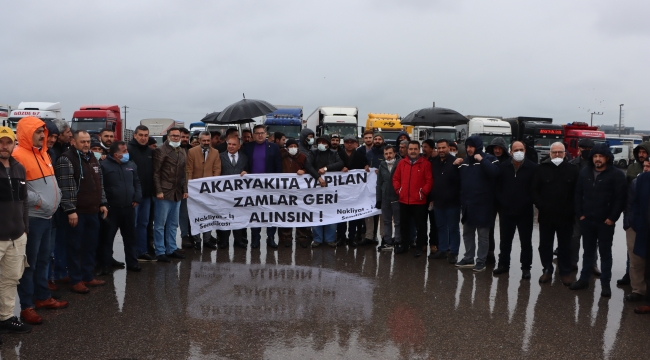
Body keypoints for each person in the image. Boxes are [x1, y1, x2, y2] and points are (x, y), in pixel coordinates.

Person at [12, 118, 67, 325]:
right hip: (33, 218)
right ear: (26, 133)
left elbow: (50, 182)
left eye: (43, 132)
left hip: (47, 216)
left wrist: (57, 195)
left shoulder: (43, 153)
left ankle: (42, 297)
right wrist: (42, 202)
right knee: (30, 264)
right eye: (38, 132)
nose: (43, 136)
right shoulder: (19, 155)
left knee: (44, 260)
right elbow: (21, 189)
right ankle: (27, 306)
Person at [55, 130, 108, 294]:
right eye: (82, 141)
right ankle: (75, 279)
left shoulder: (92, 157)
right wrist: (70, 210)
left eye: (87, 141)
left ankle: (87, 275)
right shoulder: (66, 159)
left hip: (92, 210)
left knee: (90, 246)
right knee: (75, 247)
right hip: (76, 212)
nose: (86, 144)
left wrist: (102, 202)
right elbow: (65, 187)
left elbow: (100, 182)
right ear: (73, 142)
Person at [570, 143, 626, 297]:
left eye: (601, 156)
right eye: (595, 156)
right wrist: (580, 214)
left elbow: (620, 199)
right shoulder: (585, 172)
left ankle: (605, 284)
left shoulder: (616, 174)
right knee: (588, 251)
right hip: (587, 220)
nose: (598, 159)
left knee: (605, 253)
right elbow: (578, 194)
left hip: (605, 222)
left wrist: (612, 218)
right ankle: (583, 279)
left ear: (607, 157)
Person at [0, 126, 33, 335]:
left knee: (11, 279)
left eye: (8, 142)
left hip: (17, 236)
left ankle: (5, 317)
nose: (4, 146)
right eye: (0, 142)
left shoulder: (19, 168)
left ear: (14, 144)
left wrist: (25, 228)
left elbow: (24, 201)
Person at [532, 142, 579, 285]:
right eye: (554, 152)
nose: (557, 155)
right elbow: (534, 191)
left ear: (565, 153)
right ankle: (547, 269)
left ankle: (564, 272)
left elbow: (577, 192)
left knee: (565, 245)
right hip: (547, 215)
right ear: (550, 153)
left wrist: (572, 209)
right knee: (545, 245)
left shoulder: (573, 170)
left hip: (566, 216)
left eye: (560, 152)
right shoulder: (541, 169)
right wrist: (541, 206)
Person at [453, 135, 500, 272]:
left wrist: (483, 160)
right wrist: (455, 166)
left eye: (472, 146)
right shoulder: (465, 162)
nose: (469, 149)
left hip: (484, 205)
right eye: (467, 146)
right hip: (468, 205)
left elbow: (495, 174)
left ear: (478, 146)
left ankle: (481, 261)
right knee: (467, 233)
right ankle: (468, 258)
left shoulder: (490, 159)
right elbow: (457, 182)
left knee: (483, 236)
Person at [493, 141, 537, 279]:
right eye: (516, 149)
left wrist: (527, 201)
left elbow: (535, 189)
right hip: (506, 211)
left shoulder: (533, 168)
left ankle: (525, 268)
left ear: (525, 151)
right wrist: (503, 202)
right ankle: (503, 265)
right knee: (505, 240)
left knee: (526, 242)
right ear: (511, 152)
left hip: (525, 211)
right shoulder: (503, 167)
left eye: (521, 149)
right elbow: (497, 188)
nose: (519, 152)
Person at [98, 141, 142, 273]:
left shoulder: (131, 164)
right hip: (112, 208)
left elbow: (137, 182)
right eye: (124, 152)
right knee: (107, 238)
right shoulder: (104, 166)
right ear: (116, 154)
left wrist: (137, 197)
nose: (127, 154)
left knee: (130, 238)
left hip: (129, 207)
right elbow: (101, 187)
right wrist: (103, 203)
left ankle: (133, 263)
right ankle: (105, 265)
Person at [243, 125, 282, 249]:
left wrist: (276, 183)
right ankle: (255, 237)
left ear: (266, 134)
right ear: (253, 135)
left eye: (262, 133)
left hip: (270, 186)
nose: (260, 135)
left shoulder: (274, 147)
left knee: (271, 212)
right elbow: (244, 164)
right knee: (255, 212)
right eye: (257, 133)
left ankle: (270, 237)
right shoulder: (247, 147)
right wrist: (244, 171)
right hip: (253, 186)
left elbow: (278, 166)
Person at [152, 127, 187, 262]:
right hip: (164, 192)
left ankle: (171, 248)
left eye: (178, 136)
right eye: (173, 136)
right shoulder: (160, 150)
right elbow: (156, 173)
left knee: (173, 224)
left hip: (177, 192)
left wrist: (185, 190)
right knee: (160, 224)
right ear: (168, 136)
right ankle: (160, 251)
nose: (176, 138)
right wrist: (158, 190)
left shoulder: (182, 150)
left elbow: (184, 173)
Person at [392, 141, 433, 257]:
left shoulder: (425, 164)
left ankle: (419, 247)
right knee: (404, 225)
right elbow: (396, 178)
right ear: (408, 150)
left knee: (421, 225)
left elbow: (429, 181)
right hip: (404, 200)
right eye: (411, 149)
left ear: (419, 150)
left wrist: (422, 192)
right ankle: (405, 246)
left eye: (415, 149)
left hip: (419, 201)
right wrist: (398, 190)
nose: (413, 151)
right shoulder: (401, 163)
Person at [305, 135, 344, 247]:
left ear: (328, 144)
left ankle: (330, 239)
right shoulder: (313, 153)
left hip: (330, 191)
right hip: (316, 190)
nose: (321, 144)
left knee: (330, 213)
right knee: (317, 214)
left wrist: (326, 168)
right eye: (320, 142)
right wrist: (318, 177)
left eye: (324, 142)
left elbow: (340, 164)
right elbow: (308, 165)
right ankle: (317, 239)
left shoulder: (333, 153)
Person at [568, 138, 600, 276]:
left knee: (592, 239)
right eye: (583, 149)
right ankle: (572, 262)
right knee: (574, 237)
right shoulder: (572, 165)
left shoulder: (598, 166)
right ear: (579, 149)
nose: (586, 152)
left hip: (594, 209)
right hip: (576, 208)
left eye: (588, 150)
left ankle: (592, 264)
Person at [186, 131, 221, 250]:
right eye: (204, 140)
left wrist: (213, 186)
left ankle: (207, 240)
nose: (206, 143)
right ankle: (196, 240)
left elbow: (217, 169)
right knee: (195, 214)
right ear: (199, 140)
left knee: (208, 215)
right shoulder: (192, 152)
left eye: (208, 140)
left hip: (209, 190)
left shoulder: (215, 152)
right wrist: (189, 186)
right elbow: (189, 170)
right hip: (195, 189)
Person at [127, 125, 156, 262]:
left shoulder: (150, 151)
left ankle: (142, 251)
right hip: (134, 196)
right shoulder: (129, 150)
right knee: (132, 225)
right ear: (135, 135)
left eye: (146, 135)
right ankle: (132, 252)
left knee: (144, 224)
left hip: (147, 194)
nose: (143, 138)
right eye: (141, 135)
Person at [429, 139, 461, 263]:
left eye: (443, 147)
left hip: (453, 202)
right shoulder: (434, 162)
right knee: (441, 226)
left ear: (449, 148)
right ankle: (442, 250)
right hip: (438, 201)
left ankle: (453, 252)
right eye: (439, 148)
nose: (441, 150)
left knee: (453, 228)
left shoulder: (456, 162)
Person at [623, 159, 650, 302]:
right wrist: (629, 224)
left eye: (648, 166)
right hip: (636, 226)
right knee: (636, 261)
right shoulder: (637, 182)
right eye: (644, 166)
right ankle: (638, 290)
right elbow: (630, 205)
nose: (645, 169)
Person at [217, 135, 249, 249]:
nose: (231, 146)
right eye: (229, 144)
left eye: (234, 144)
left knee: (239, 217)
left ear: (239, 146)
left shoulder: (245, 157)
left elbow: (250, 171)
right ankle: (223, 241)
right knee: (224, 216)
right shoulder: (220, 156)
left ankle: (239, 240)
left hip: (240, 194)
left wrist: (246, 172)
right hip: (224, 194)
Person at [337, 135, 369, 246]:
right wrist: (339, 169)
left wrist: (367, 168)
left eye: (352, 142)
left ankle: (352, 238)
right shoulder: (338, 155)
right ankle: (341, 237)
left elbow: (366, 168)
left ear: (356, 143)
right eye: (347, 142)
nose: (349, 144)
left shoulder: (360, 156)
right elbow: (332, 168)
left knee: (353, 216)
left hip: (355, 193)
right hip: (341, 192)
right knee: (341, 215)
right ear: (344, 143)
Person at [278, 139, 309, 248]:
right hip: (285, 190)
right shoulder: (282, 155)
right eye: (290, 146)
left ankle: (302, 237)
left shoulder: (303, 157)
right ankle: (286, 237)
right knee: (287, 214)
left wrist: (304, 171)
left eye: (295, 146)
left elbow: (309, 169)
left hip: (300, 192)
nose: (293, 148)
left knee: (301, 214)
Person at [485, 136, 511, 265]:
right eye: (495, 148)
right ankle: (490, 252)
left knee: (504, 229)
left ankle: (503, 254)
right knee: (489, 227)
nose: (497, 150)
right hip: (490, 199)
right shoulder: (488, 160)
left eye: (500, 148)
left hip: (504, 199)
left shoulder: (509, 162)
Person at [632, 169, 650, 314]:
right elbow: (636, 203)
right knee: (648, 266)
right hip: (646, 230)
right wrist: (638, 223)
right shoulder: (643, 178)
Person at [376, 145, 400, 251]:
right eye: (386, 154)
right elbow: (379, 183)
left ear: (394, 153)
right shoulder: (382, 165)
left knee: (398, 222)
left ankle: (398, 241)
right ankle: (388, 242)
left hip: (397, 197)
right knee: (386, 221)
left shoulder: (400, 164)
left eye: (390, 153)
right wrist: (378, 199)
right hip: (385, 197)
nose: (388, 156)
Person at [421, 139, 439, 256]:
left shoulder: (436, 161)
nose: (423, 149)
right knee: (422, 222)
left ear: (432, 148)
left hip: (433, 196)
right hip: (422, 196)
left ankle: (433, 244)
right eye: (422, 146)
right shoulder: (420, 159)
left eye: (426, 147)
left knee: (434, 222)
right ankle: (422, 243)